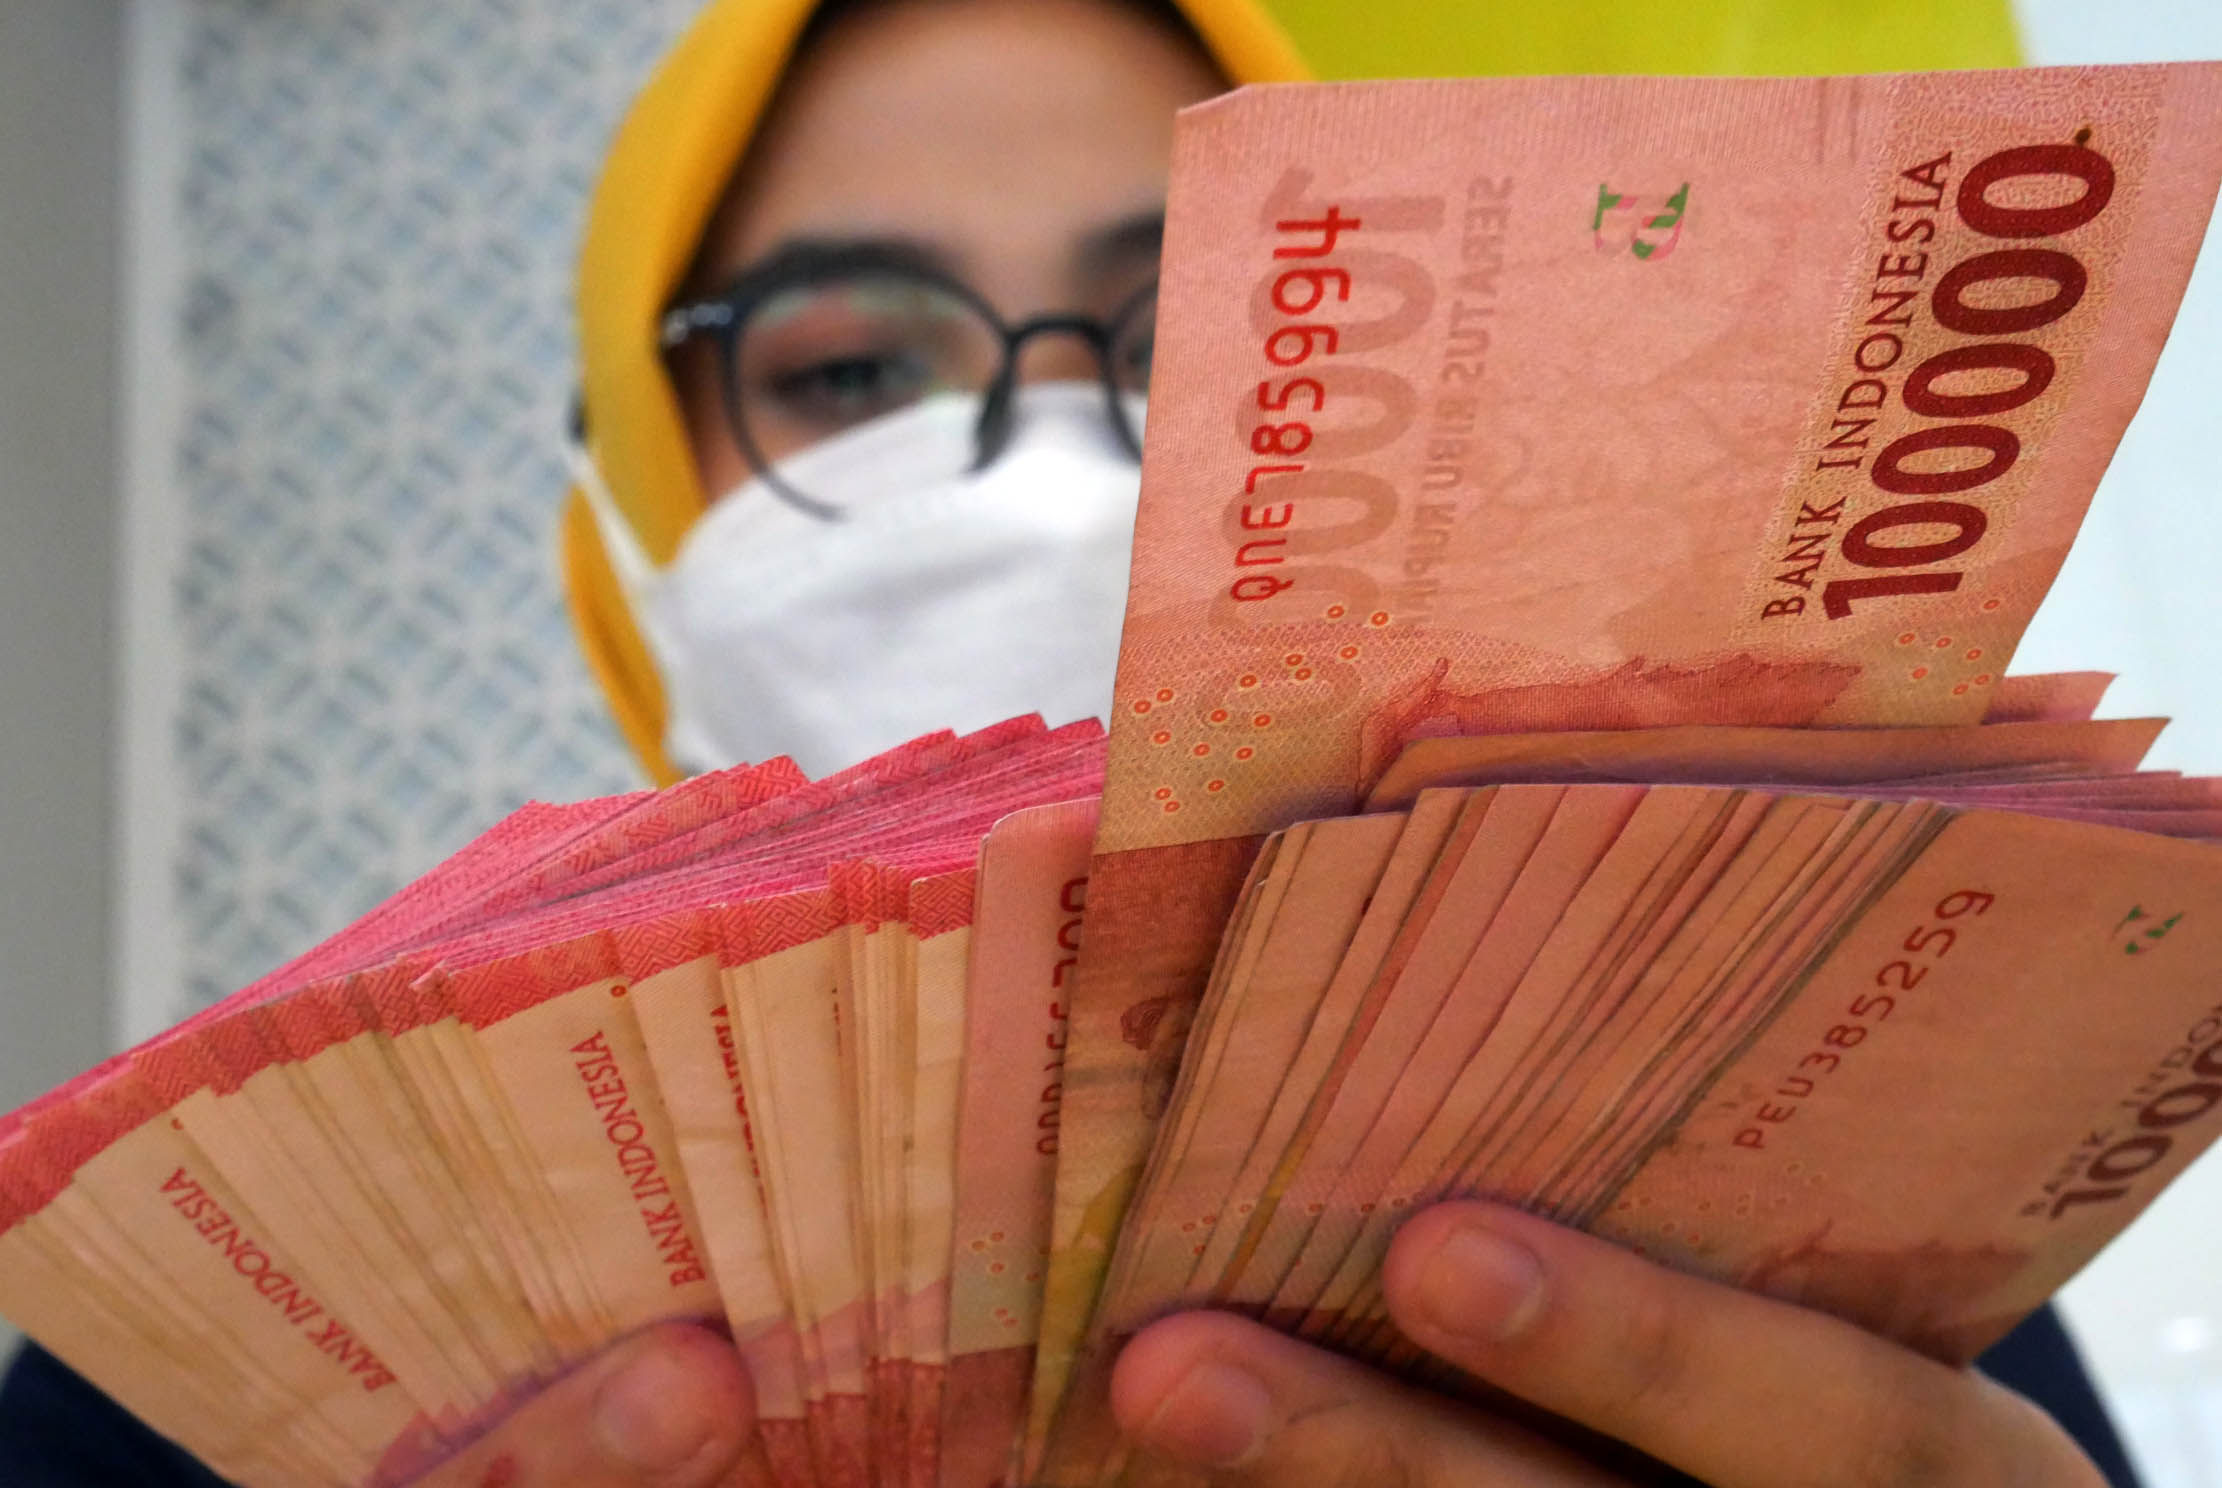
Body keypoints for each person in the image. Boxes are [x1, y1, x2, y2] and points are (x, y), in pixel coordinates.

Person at [0, 0, 2151, 1483]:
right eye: (846, 374)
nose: (1033, 461)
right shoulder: (229, 1305)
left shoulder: (1773, 1211)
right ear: (633, 541)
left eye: (1201, 324)